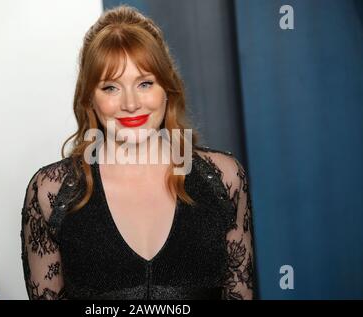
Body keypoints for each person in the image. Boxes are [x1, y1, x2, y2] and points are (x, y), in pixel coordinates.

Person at [20, 5, 255, 300]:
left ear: (167, 89)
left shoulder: (224, 178)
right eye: (111, 88)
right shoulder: (49, 192)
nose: (131, 104)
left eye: (145, 83)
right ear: (89, 99)